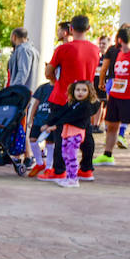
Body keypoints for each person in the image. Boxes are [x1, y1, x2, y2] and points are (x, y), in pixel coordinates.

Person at [43, 15, 99, 182]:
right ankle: (86, 169)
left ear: (71, 29)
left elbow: (48, 71)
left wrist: (54, 78)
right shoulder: (95, 49)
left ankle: (59, 170)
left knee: (61, 134)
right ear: (88, 29)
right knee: (86, 133)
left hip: (64, 96)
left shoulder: (63, 49)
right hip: (86, 97)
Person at [98, 25, 130, 168]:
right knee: (111, 126)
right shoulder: (119, 53)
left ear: (119, 39)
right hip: (116, 95)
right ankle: (107, 155)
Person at [40, 80, 98, 188]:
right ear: (73, 91)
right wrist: (49, 123)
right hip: (66, 133)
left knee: (71, 156)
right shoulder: (72, 103)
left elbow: (70, 117)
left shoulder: (86, 106)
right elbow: (61, 113)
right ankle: (68, 177)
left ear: (89, 92)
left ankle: (73, 179)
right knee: (65, 155)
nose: (80, 92)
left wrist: (54, 125)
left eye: (84, 90)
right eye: (78, 90)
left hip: (76, 134)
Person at [24, 75, 56, 177]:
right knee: (32, 139)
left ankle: (49, 167)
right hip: (38, 120)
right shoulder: (42, 88)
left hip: (51, 120)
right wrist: (30, 118)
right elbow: (36, 104)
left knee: (50, 142)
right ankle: (39, 163)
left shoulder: (60, 88)